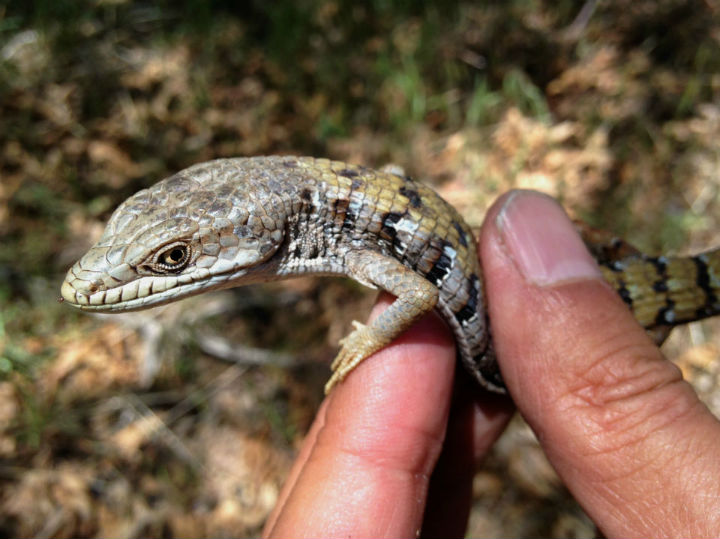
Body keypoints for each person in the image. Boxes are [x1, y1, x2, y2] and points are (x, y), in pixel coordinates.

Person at [262, 190, 720, 538]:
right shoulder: (349, 219)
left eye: (184, 256)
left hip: (532, 338)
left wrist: (371, 337)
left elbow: (420, 294)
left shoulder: (354, 236)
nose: (185, 273)